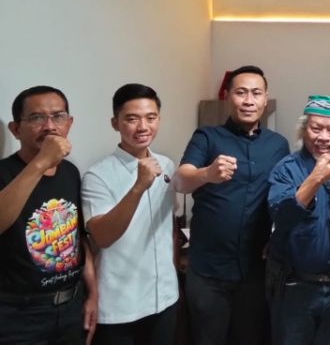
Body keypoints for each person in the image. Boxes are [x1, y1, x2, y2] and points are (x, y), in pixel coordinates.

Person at [173, 65, 289, 345]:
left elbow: (283, 197)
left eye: (256, 93)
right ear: (227, 97)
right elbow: (180, 181)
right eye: (241, 93)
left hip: (255, 270)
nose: (249, 100)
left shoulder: (278, 145)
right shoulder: (207, 137)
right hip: (208, 271)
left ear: (265, 99)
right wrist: (207, 174)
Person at [81, 84, 178, 344]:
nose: (143, 127)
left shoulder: (167, 165)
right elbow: (102, 237)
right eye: (132, 119)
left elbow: (168, 225)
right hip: (120, 305)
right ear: (115, 123)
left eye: (151, 117)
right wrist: (138, 186)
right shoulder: (97, 175)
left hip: (165, 296)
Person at [0, 86, 97, 344]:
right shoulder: (4, 172)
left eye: (58, 116)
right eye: (36, 118)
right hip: (18, 314)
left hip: (71, 305)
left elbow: (79, 239)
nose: (50, 126)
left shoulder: (71, 172)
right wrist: (42, 161)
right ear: (15, 129)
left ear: (69, 123)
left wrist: (93, 295)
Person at [266, 95, 330, 345]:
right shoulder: (286, 168)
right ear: (303, 130)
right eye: (316, 128)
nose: (324, 137)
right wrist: (315, 178)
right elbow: (282, 216)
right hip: (295, 287)